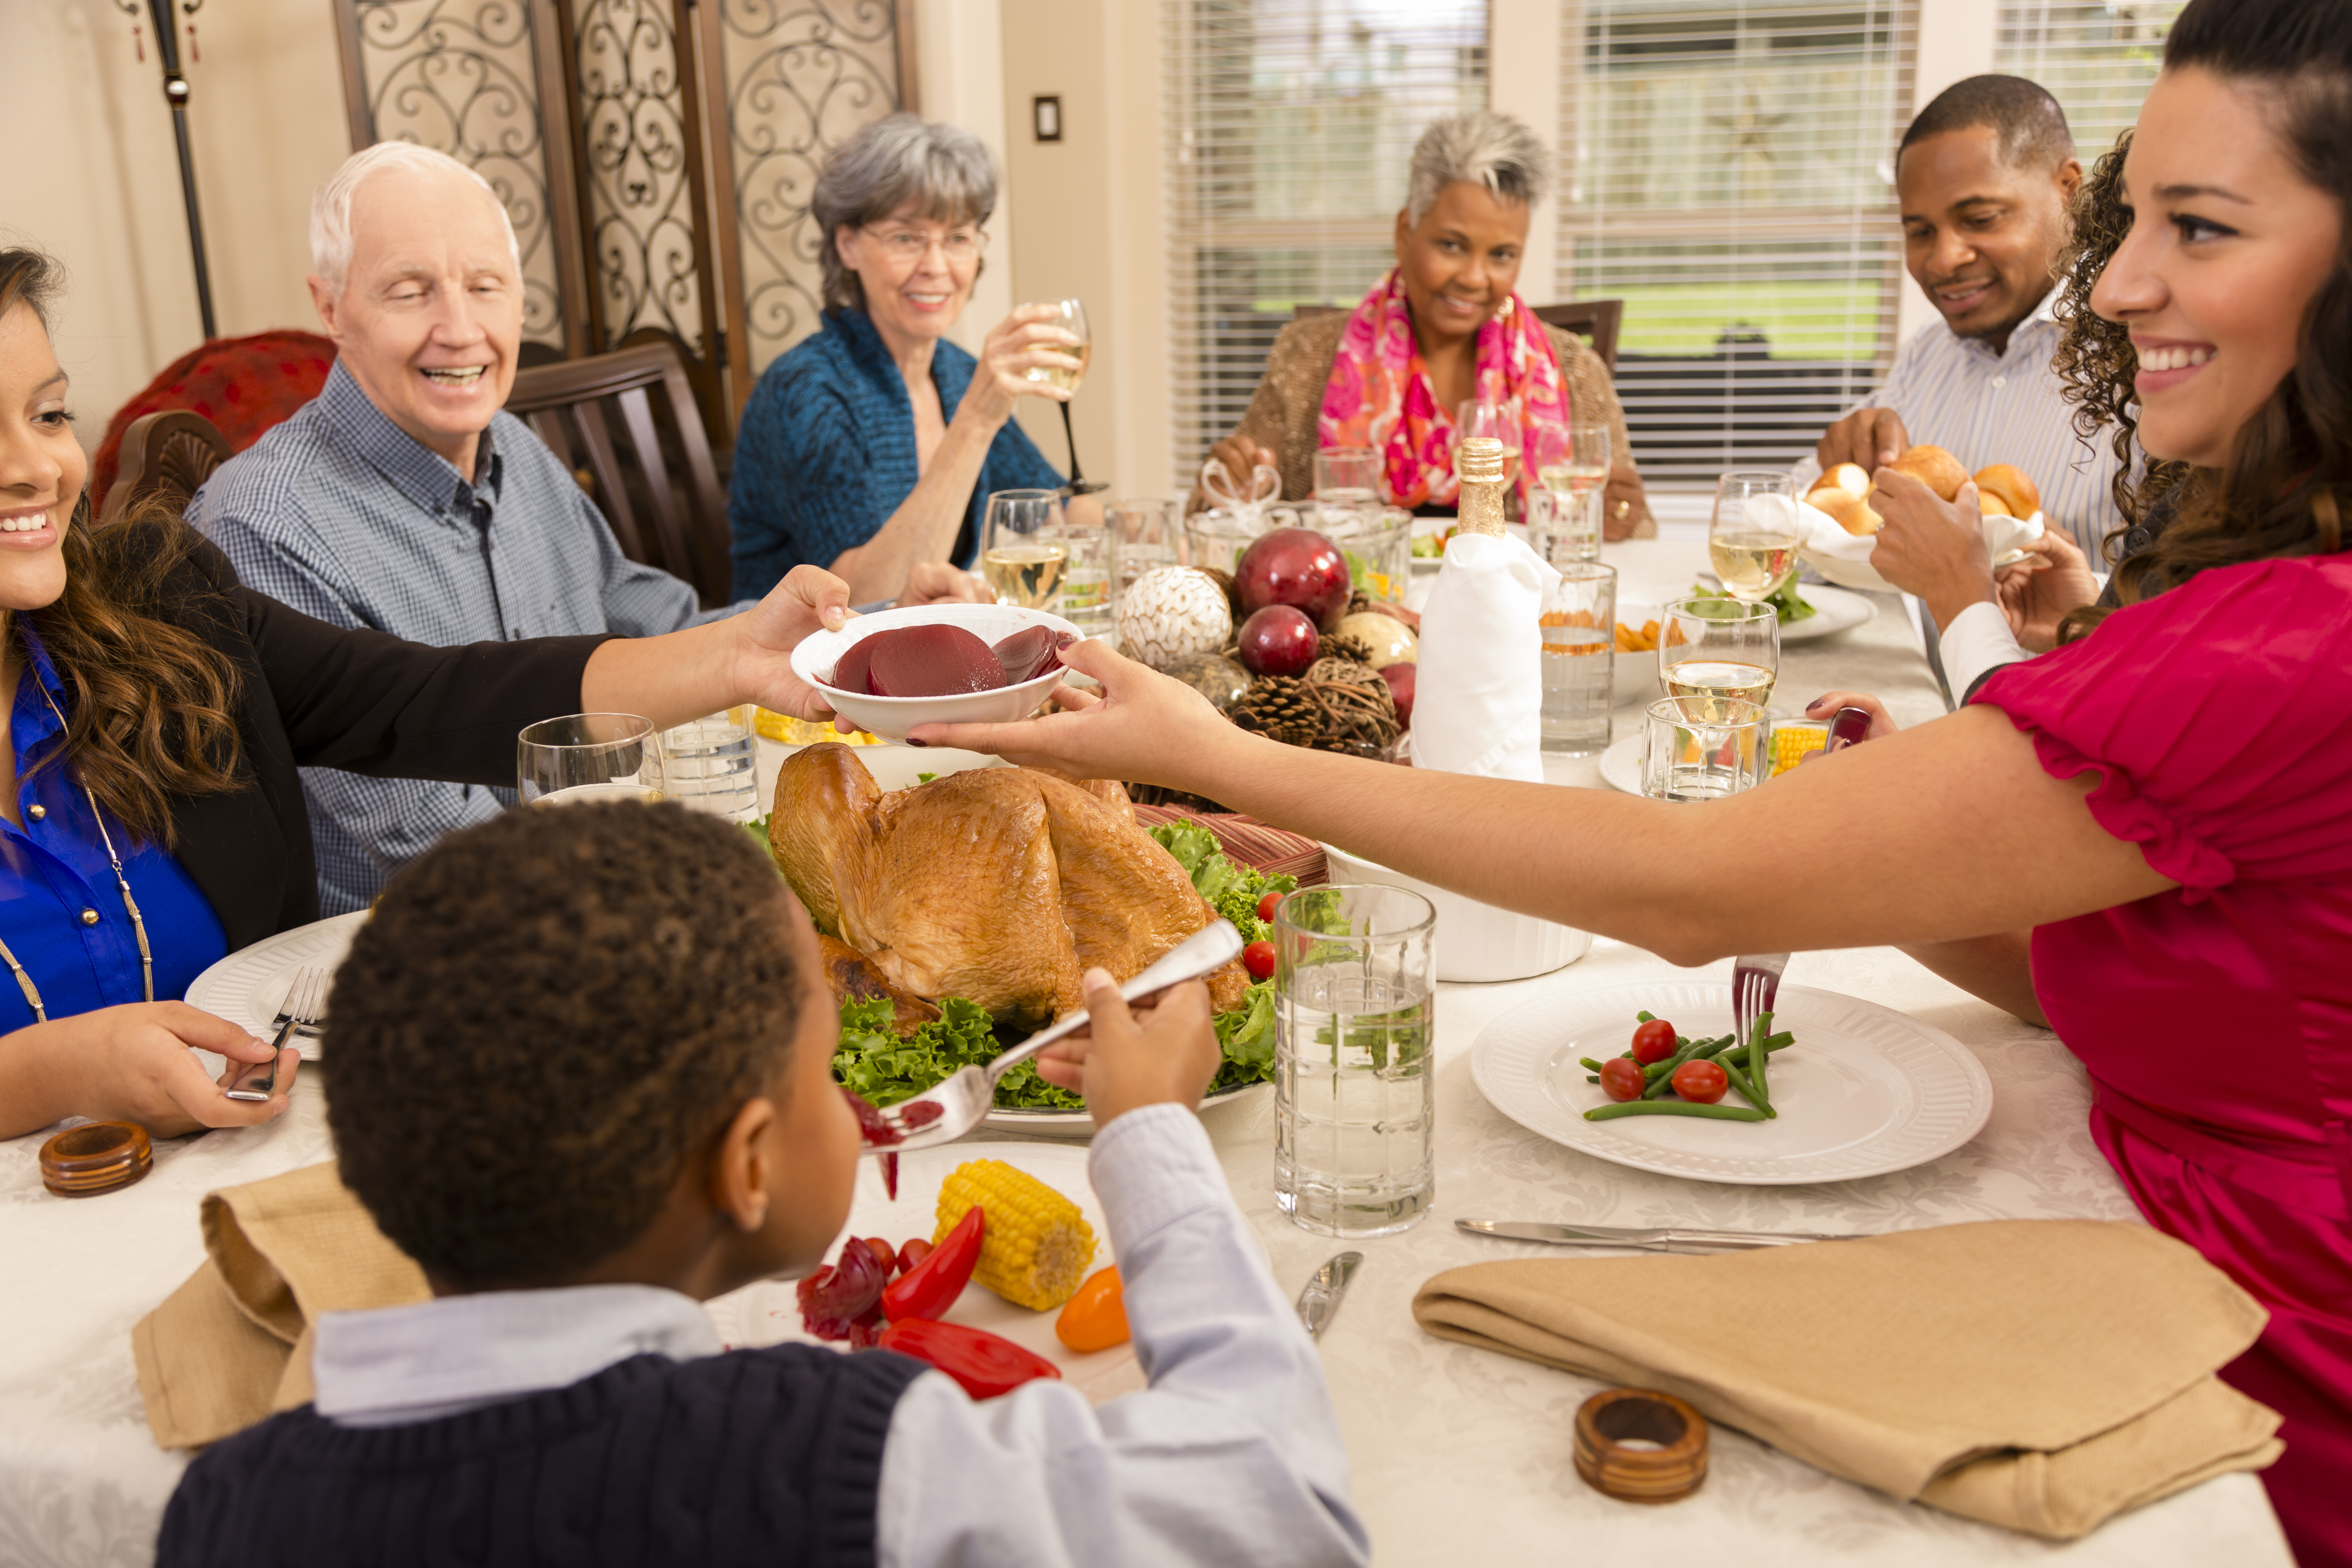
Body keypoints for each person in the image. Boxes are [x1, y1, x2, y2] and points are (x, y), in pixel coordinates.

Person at [917, 2, 2352, 1557]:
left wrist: (1212, 751)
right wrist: (1880, 847)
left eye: (2194, 227)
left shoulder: (2275, 650)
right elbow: (2072, 952)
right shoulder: (2280, 592)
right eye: (2130, 214)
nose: (2122, 276)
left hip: (2255, 1374)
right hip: (2169, 1256)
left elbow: (1684, 896)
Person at [154, 800, 1370, 1568]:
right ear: (745, 1164)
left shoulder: (223, 1511)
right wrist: (1152, 1134)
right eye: (818, 1062)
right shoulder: (836, 1460)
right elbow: (1281, 1498)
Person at [0, 245, 859, 1143]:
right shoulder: (270, 508)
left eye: (49, 414)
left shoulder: (159, 600)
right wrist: (59, 1070)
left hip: (271, 1151)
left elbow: (430, 698)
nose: (37, 468)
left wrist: (738, 657)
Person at [185, 143, 974, 918]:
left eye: (485, 287)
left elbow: (664, 631)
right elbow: (429, 844)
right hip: (429, 954)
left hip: (607, 882)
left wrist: (877, 622)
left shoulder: (516, 452)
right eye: (408, 292)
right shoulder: (265, 522)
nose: (459, 330)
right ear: (331, 307)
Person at [1199, 111, 1651, 537]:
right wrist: (1231, 490)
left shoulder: (1572, 368)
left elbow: (1639, 528)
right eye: (1452, 245)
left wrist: (1621, 517)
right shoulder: (1308, 356)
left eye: (1501, 255)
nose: (1474, 278)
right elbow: (1215, 508)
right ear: (1404, 232)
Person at [728, 114, 1079, 605]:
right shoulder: (805, 390)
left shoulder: (953, 371)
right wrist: (976, 420)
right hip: (799, 667)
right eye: (906, 238)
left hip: (923, 659)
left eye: (957, 238)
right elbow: (863, 598)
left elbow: (1059, 513)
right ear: (847, 244)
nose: (936, 267)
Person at [1813, 75, 2121, 566]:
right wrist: (1845, 456)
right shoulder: (1926, 356)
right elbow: (1798, 528)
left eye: (1980, 220)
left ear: (2069, 190)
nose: (1943, 260)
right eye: (1920, 231)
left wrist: (2086, 601)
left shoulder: (2142, 354)